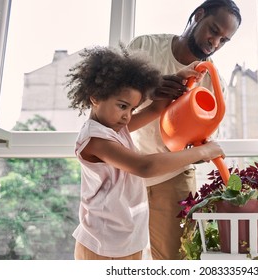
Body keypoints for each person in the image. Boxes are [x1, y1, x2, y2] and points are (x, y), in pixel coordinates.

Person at [66, 46, 225, 260]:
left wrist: (179, 77)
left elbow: (154, 110)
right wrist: (202, 152)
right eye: (122, 106)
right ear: (95, 97)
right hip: (102, 245)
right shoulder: (96, 139)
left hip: (126, 241)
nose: (127, 117)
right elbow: (144, 166)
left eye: (132, 109)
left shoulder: (113, 128)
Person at [126, 0, 242, 260]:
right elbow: (109, 102)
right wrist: (149, 90)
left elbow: (204, 138)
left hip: (173, 178)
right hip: (125, 172)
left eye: (224, 40)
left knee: (173, 262)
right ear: (198, 15)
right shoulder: (143, 48)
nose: (215, 43)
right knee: (122, 260)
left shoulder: (211, 80)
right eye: (213, 30)